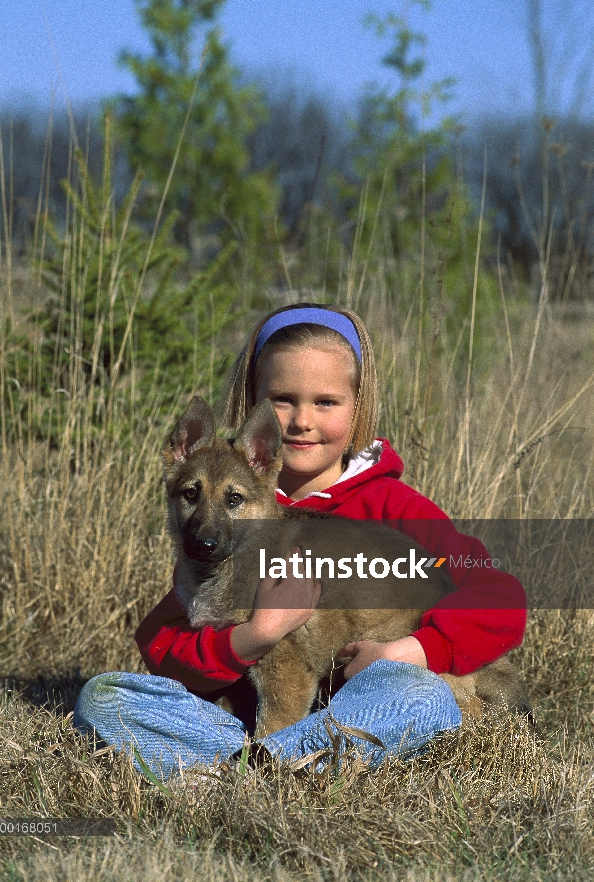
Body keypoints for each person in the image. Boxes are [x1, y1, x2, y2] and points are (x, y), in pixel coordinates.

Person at [75, 303, 526, 776]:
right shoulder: (222, 542)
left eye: (325, 402)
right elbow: (165, 652)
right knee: (104, 698)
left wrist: (412, 651)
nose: (301, 421)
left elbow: (501, 597)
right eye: (283, 400)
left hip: (383, 692)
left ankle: (255, 765)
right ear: (256, 413)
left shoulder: (396, 508)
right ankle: (277, 761)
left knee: (419, 698)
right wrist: (253, 637)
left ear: (358, 408)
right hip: (298, 724)